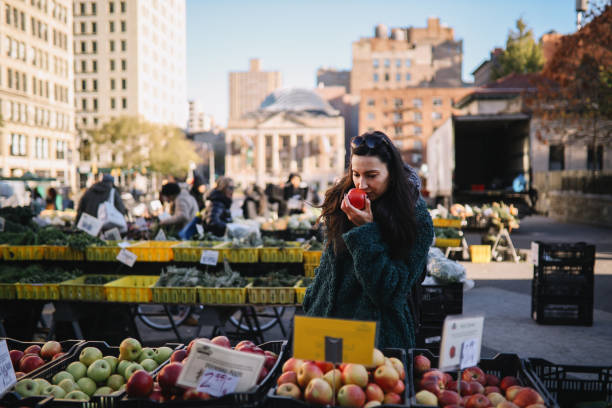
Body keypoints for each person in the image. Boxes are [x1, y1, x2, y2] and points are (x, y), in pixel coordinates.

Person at [302, 131, 433, 350]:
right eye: (356, 174)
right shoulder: (344, 202)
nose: (361, 185)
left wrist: (366, 231)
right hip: (325, 330)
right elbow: (330, 266)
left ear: (392, 173)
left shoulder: (415, 219)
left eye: (371, 175)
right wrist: (313, 299)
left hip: (375, 340)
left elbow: (389, 291)